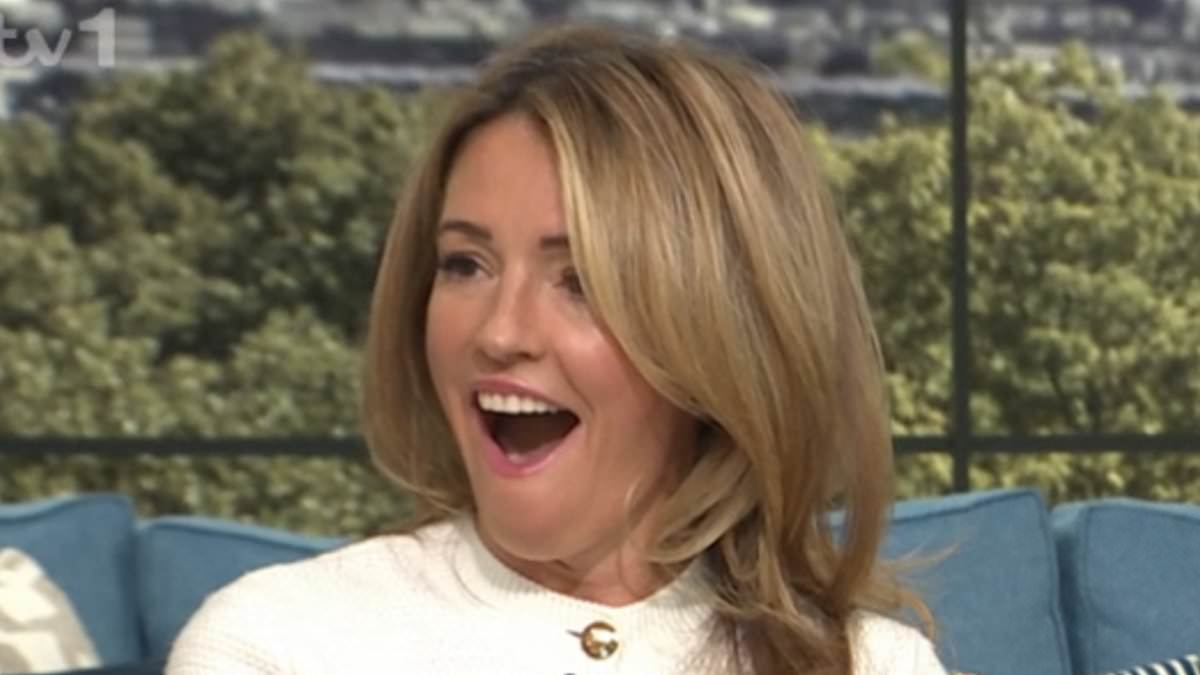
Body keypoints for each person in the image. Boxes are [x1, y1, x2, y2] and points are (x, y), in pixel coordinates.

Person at [167, 24, 948, 675]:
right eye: (465, 264)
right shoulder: (272, 642)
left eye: (580, 280)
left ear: (722, 333)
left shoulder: (876, 663)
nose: (500, 332)